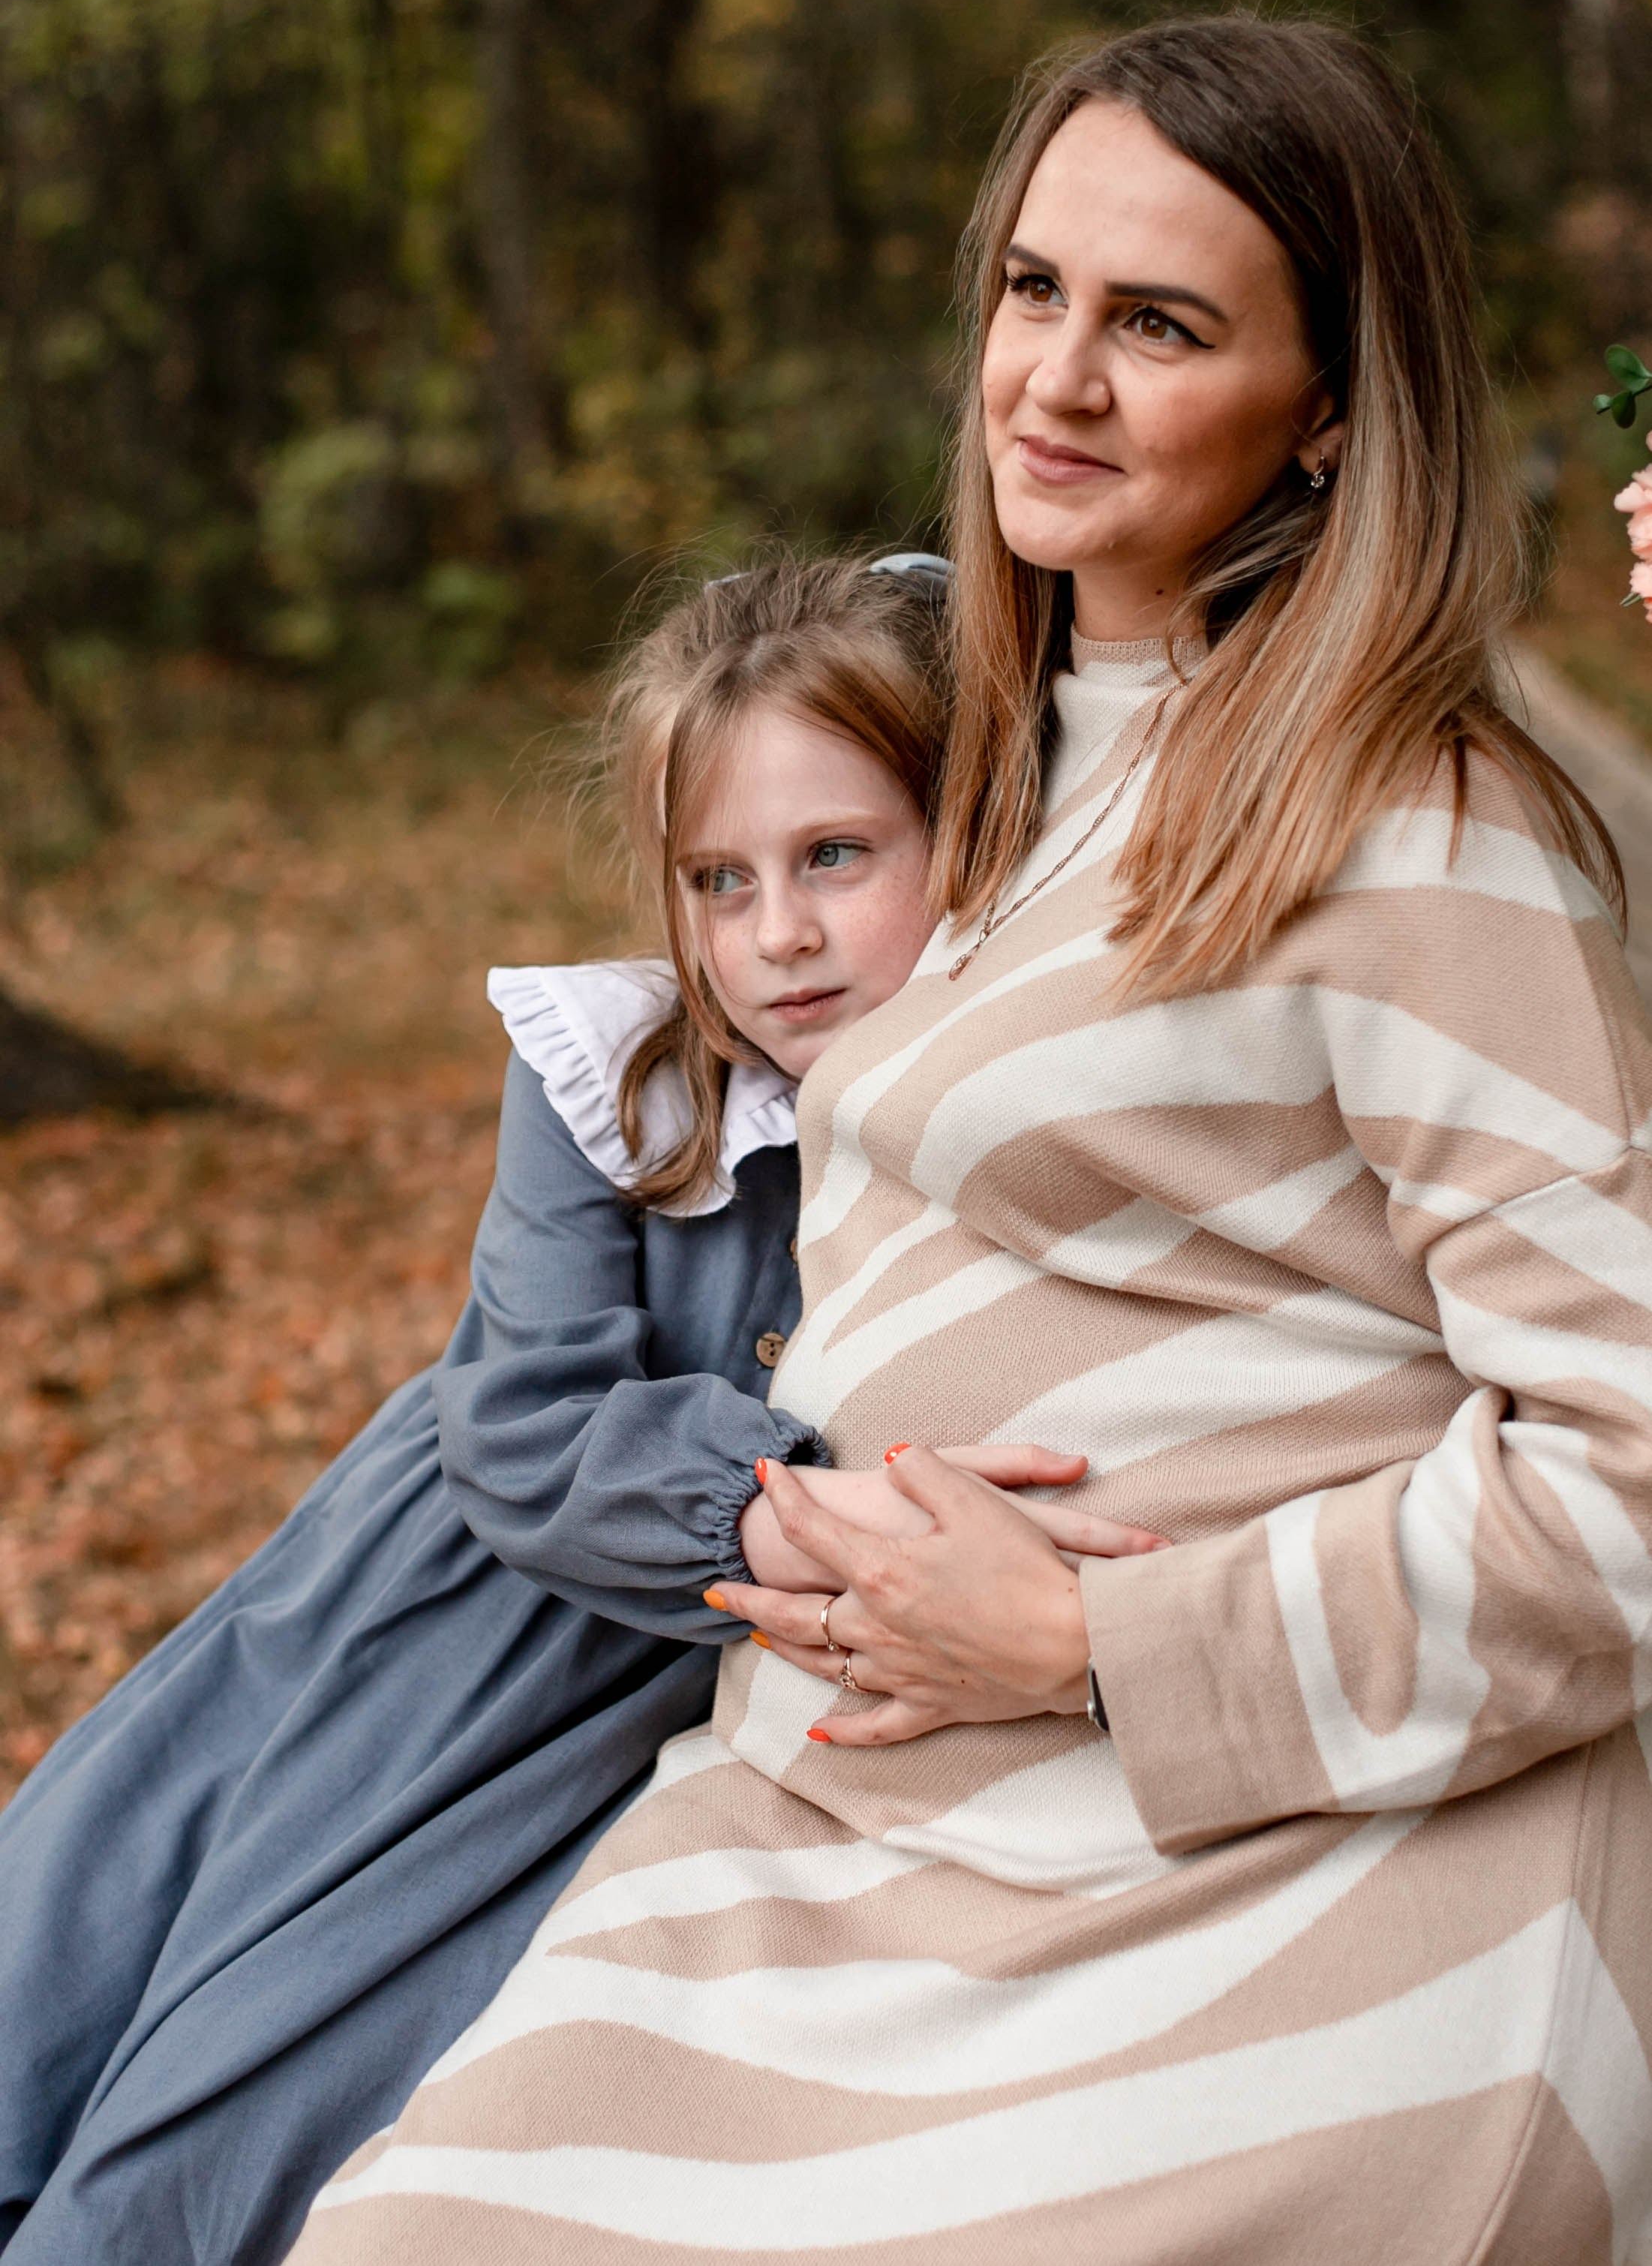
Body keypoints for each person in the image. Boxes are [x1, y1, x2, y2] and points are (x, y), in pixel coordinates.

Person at [292, 17, 1652, 2266]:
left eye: (1160, 325)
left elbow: (1630, 1480)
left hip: (1259, 1912)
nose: (1055, 381)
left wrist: (1102, 1648)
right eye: (1034, 290)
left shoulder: (1421, 827)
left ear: (1329, 406)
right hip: (842, 1855)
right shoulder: (1006, 775)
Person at [0, 552, 1156, 2266]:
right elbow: (527, 1428)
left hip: (665, 1730)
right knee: (183, 2011)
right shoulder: (620, 1080)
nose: (779, 931)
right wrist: (800, 1512)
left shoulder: (1009, 1096)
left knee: (388, 2096)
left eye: (838, 855)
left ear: (970, 828)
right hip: (447, 1642)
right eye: (721, 877)